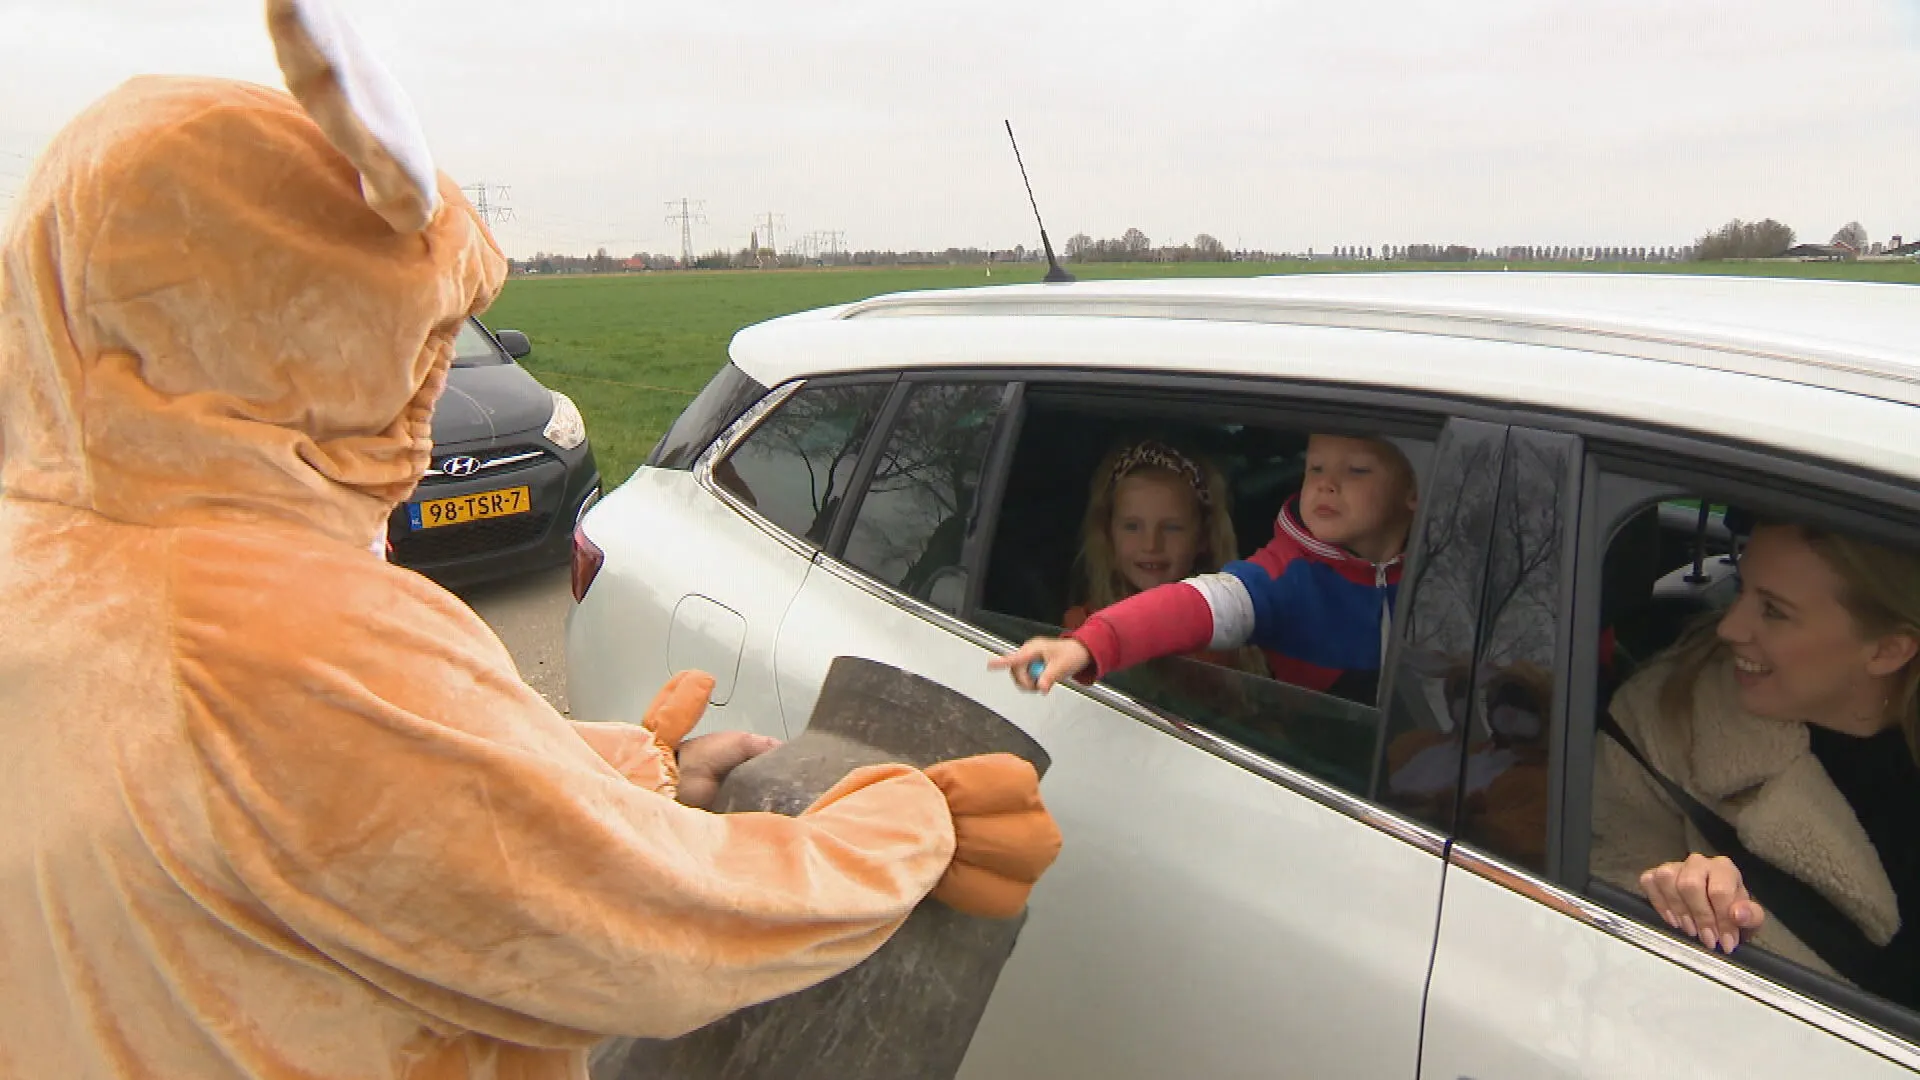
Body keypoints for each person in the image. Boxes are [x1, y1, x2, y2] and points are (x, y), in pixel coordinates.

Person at [0, 4, 1061, 1077]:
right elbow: (642, 928)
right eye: (407, 346)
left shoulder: (50, 560)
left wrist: (631, 771)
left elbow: (363, 825)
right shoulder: (276, 639)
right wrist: (903, 830)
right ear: (268, 333)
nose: (418, 436)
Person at [1591, 520, 1920, 1005]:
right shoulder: (1663, 724)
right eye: (1742, 589)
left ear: (1887, 650)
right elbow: (1598, 899)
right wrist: (1684, 898)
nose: (1729, 626)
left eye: (1773, 611)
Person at [994, 433, 1419, 703]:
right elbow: (1194, 605)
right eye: (1315, 468)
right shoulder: (1278, 578)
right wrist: (1084, 647)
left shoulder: (1441, 575)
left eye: (1358, 469)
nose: (1152, 544)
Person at [1062, 438, 1265, 675]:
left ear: (1203, 537)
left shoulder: (1226, 628)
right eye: (1132, 527)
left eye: (1172, 528)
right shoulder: (1082, 631)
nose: (1151, 545)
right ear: (1108, 534)